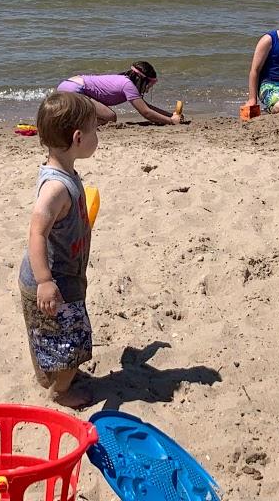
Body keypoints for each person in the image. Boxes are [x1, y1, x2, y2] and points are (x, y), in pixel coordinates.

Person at [17, 90, 100, 408]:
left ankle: (49, 376)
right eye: (95, 130)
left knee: (48, 334)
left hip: (61, 275)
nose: (98, 136)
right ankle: (61, 391)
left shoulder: (63, 172)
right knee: (70, 341)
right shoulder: (55, 187)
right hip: (52, 280)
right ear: (78, 138)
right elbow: (36, 233)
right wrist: (45, 281)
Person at [57, 61, 184, 126]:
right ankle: (74, 125)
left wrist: (170, 115)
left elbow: (146, 107)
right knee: (110, 117)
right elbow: (146, 112)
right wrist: (171, 121)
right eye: (150, 84)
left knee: (105, 116)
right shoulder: (127, 85)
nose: (149, 88)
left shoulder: (125, 82)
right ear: (142, 80)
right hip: (74, 89)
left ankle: (70, 122)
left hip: (67, 85)